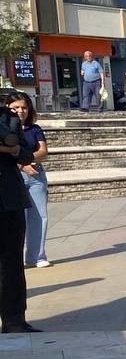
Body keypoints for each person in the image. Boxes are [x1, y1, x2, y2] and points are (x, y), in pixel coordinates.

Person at [0, 89, 38, 333]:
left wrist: (12, 150)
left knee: (12, 263)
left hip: (9, 200)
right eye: (13, 108)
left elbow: (26, 154)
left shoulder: (11, 123)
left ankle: (14, 320)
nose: (18, 112)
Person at [8, 91, 51, 268]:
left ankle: (36, 256)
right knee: (14, 219)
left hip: (36, 175)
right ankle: (12, 258)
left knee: (39, 216)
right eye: (15, 107)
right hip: (12, 176)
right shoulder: (4, 130)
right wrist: (23, 164)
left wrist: (26, 159)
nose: (20, 111)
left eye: (24, 107)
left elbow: (43, 151)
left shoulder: (35, 129)